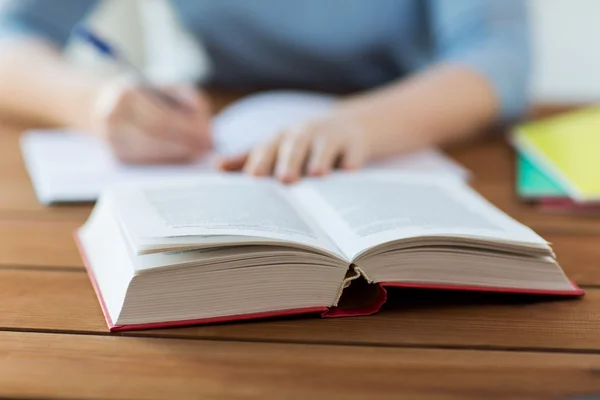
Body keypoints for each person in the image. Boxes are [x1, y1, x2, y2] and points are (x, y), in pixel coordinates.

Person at [0, 0, 530, 183]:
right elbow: (11, 35)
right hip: (218, 127)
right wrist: (92, 104)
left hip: (401, 123)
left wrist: (358, 123)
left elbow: (496, 56)